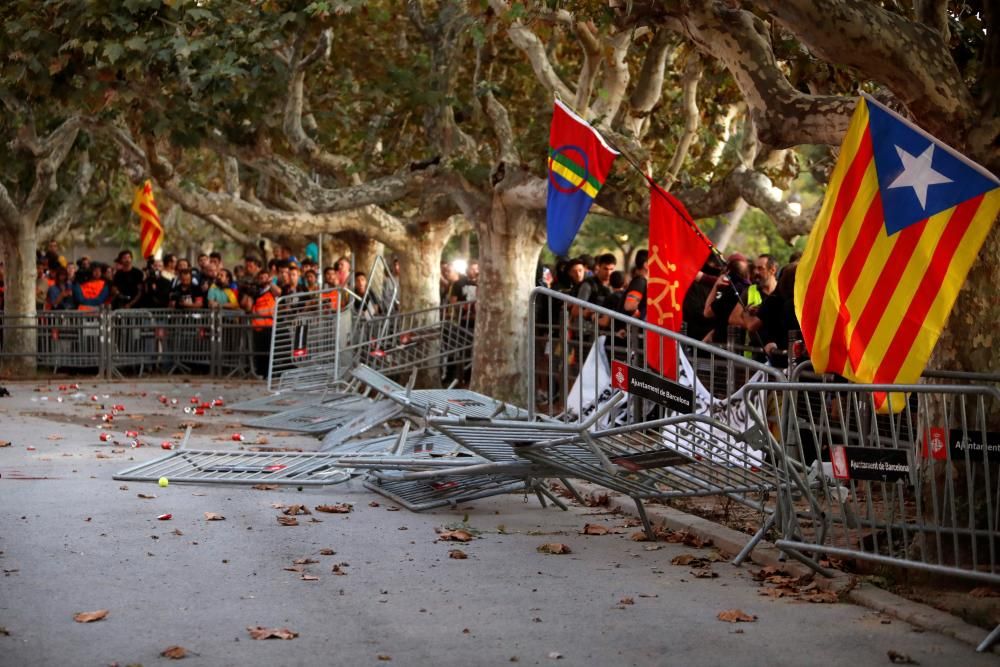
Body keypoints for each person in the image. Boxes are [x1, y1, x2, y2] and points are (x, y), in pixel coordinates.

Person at [703, 254, 750, 344]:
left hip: (724, 344)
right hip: (740, 345)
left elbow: (707, 312)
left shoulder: (733, 290)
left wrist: (716, 286)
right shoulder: (749, 289)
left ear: (728, 271)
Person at [243, 269, 279, 377]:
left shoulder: (271, 290)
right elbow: (248, 307)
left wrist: (270, 283)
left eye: (264, 277)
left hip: (270, 326)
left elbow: (279, 292)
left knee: (270, 351)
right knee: (259, 352)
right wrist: (248, 292)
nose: (262, 279)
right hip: (258, 327)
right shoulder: (256, 292)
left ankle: (270, 373)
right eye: (260, 277)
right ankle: (262, 373)